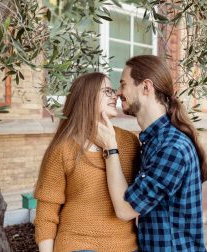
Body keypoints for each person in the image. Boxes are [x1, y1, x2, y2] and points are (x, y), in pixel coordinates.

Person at [96, 55, 207, 252]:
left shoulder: (171, 148)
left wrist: (110, 147)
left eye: (123, 84)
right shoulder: (153, 141)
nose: (118, 93)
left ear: (146, 87)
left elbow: (125, 209)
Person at [34, 72, 140, 252]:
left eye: (113, 90)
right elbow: (47, 212)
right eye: (107, 91)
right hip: (78, 243)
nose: (115, 96)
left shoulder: (130, 142)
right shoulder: (63, 148)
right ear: (87, 97)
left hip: (126, 246)